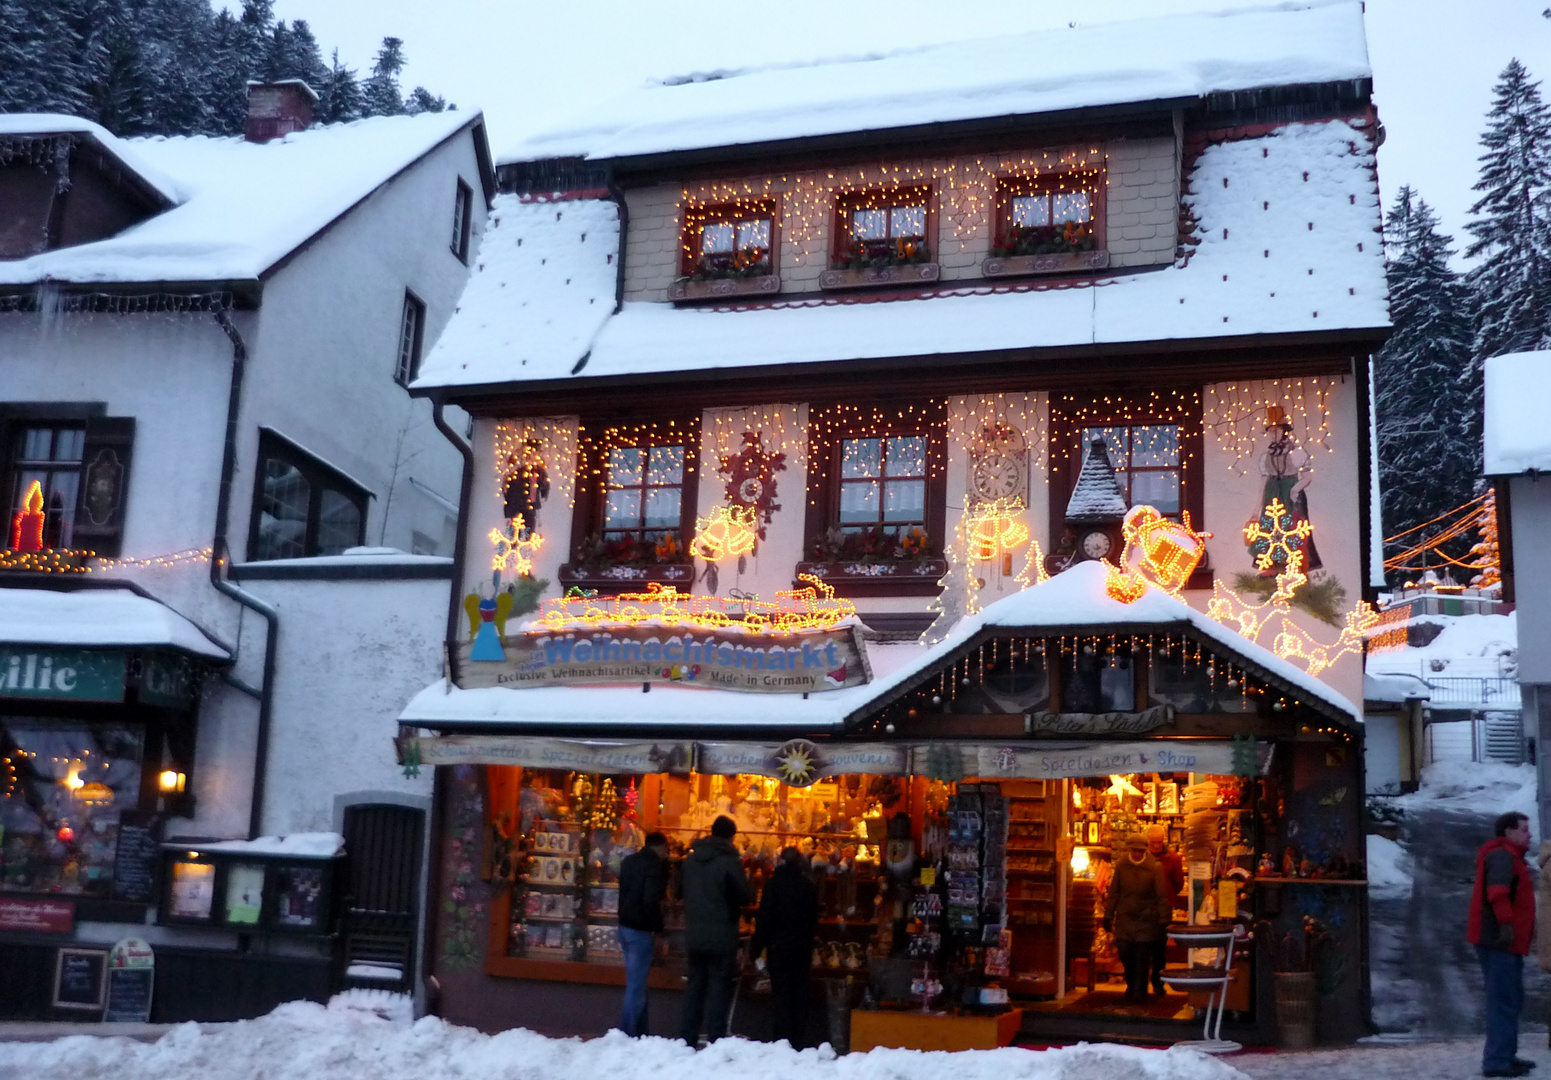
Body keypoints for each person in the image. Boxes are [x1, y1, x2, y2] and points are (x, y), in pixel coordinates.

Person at [1468, 811, 1537, 1077]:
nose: (1529, 834)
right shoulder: (1502, 857)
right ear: (1508, 832)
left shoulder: (1508, 856)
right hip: (1498, 942)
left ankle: (1505, 1055)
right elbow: (1497, 893)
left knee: (1509, 999)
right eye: (1523, 829)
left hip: (1503, 942)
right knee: (1503, 1001)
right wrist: (1507, 925)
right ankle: (1497, 1061)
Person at [678, 815, 752, 1047]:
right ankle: (716, 1038)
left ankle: (687, 1037)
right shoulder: (729, 862)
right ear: (731, 836)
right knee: (719, 987)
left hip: (694, 934)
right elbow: (746, 896)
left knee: (695, 984)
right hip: (721, 934)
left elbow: (677, 890)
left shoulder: (690, 861)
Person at [750, 847, 819, 1048]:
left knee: (781, 993)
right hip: (801, 948)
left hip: (778, 947)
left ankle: (781, 1038)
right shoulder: (807, 885)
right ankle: (798, 1039)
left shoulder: (773, 885)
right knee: (799, 992)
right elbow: (813, 919)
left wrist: (757, 947)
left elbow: (765, 919)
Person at [1102, 834, 1172, 1002]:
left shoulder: (1155, 868)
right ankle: (1132, 984)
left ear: (1145, 851)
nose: (1137, 854)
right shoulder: (1121, 866)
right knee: (1125, 952)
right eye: (1134, 851)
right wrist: (1108, 914)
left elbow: (1161, 896)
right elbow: (1114, 893)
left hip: (1147, 919)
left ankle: (1139, 989)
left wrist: (1163, 920)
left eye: (1140, 851)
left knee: (1142, 955)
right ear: (1129, 850)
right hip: (1125, 918)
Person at [615, 831, 670, 1037]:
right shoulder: (654, 866)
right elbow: (649, 900)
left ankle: (639, 1032)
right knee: (636, 986)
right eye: (667, 849)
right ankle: (628, 1035)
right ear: (662, 846)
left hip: (624, 926)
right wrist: (659, 927)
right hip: (641, 929)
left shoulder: (629, 861)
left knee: (636, 983)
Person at [1145, 823, 1184, 995]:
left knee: (1159, 949)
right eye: (1152, 842)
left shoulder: (1173, 859)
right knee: (1144, 946)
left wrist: (1168, 898)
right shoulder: (1142, 858)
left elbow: (1179, 883)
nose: (1155, 846)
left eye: (1158, 842)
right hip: (1144, 910)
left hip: (1162, 911)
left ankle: (1158, 983)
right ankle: (1141, 982)